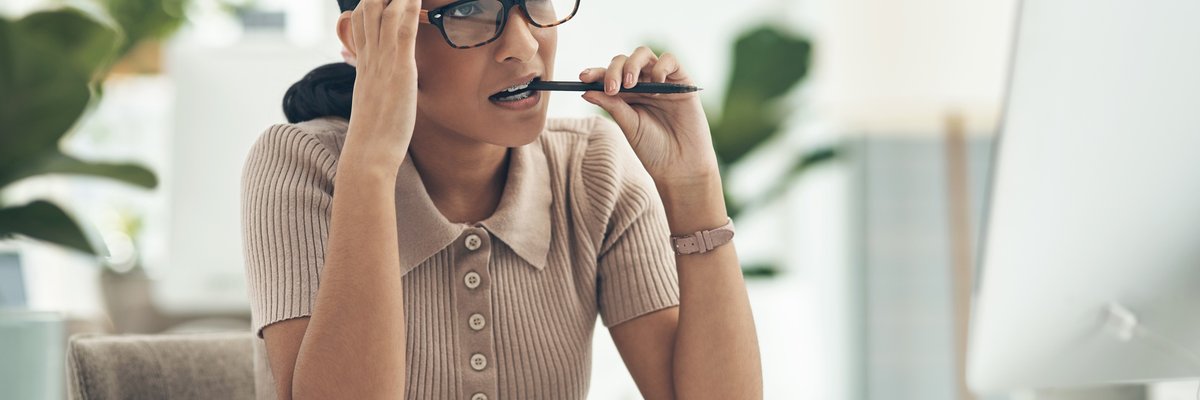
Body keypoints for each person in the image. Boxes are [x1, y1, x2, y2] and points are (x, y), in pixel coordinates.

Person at [240, 0, 762, 398]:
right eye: (468, 9)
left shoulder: (590, 167)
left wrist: (694, 187)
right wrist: (372, 162)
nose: (524, 45)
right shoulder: (302, 166)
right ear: (363, 37)